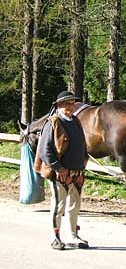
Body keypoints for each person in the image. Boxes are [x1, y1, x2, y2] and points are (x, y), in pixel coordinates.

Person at [34, 91, 89, 250]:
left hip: (77, 173)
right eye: (66, 104)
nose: (70, 107)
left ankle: (72, 235)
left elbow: (82, 145)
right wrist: (59, 168)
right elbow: (45, 151)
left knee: (74, 206)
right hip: (59, 174)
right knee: (59, 206)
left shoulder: (76, 121)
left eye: (72, 104)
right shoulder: (53, 123)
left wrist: (82, 164)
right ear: (58, 106)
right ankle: (55, 237)